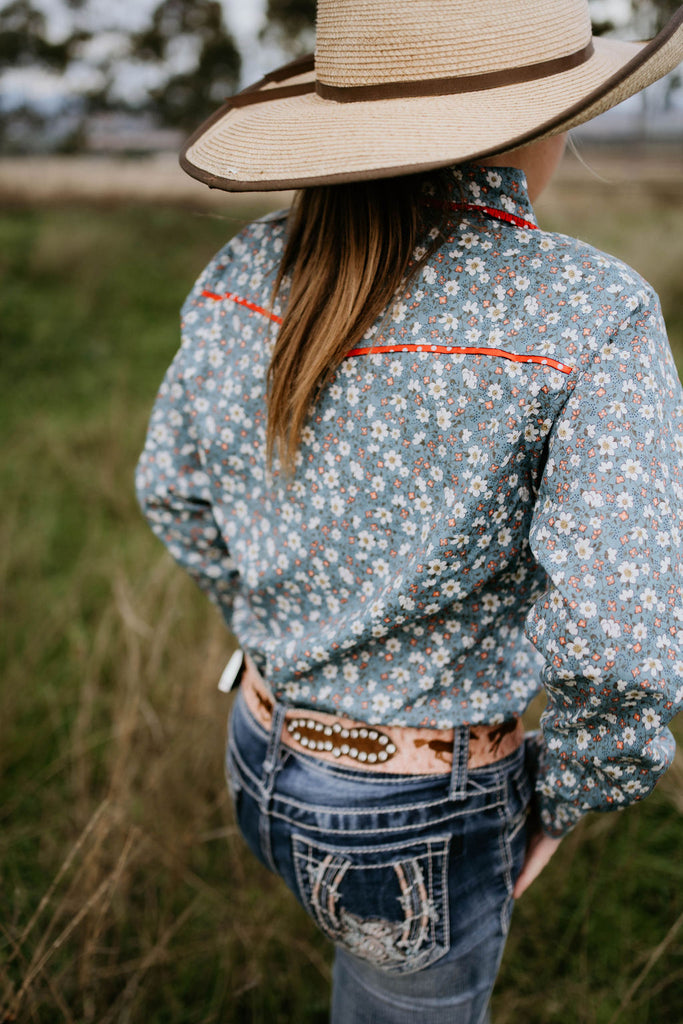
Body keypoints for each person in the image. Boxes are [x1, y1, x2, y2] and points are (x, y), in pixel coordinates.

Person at [135, 2, 683, 1021]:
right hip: (421, 814)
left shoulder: (245, 269)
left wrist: (283, 633)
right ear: (536, 121)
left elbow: (171, 491)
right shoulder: (588, 311)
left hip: (255, 746)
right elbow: (621, 642)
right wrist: (564, 794)